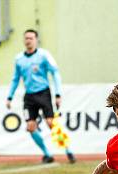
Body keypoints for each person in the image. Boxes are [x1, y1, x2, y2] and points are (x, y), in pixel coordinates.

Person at [6, 29, 76, 164]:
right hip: (29, 97)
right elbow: (15, 79)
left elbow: (55, 73)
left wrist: (58, 94)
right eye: (26, 38)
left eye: (31, 38)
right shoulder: (19, 59)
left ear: (36, 40)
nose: (28, 41)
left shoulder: (44, 55)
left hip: (43, 93)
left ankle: (68, 151)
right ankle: (47, 154)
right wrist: (9, 97)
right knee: (30, 127)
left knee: (51, 123)